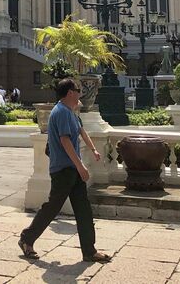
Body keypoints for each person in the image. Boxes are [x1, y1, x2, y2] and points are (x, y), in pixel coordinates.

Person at [18, 78, 111, 264]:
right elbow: (65, 141)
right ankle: (27, 239)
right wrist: (81, 166)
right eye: (78, 90)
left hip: (72, 169)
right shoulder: (60, 112)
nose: (80, 93)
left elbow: (81, 133)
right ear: (70, 92)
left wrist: (92, 150)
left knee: (83, 208)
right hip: (63, 169)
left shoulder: (70, 112)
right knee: (53, 207)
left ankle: (89, 250)